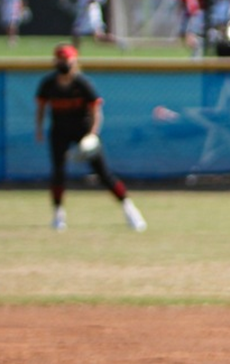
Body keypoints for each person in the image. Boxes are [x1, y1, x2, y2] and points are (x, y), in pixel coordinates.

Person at [36, 44, 147, 233]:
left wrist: (92, 135)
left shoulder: (83, 84)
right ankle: (58, 215)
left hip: (83, 132)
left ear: (74, 61)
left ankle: (130, 209)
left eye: (67, 59)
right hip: (59, 132)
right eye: (60, 59)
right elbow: (41, 108)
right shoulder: (48, 84)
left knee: (103, 174)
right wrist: (39, 129)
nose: (64, 63)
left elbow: (96, 111)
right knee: (58, 173)